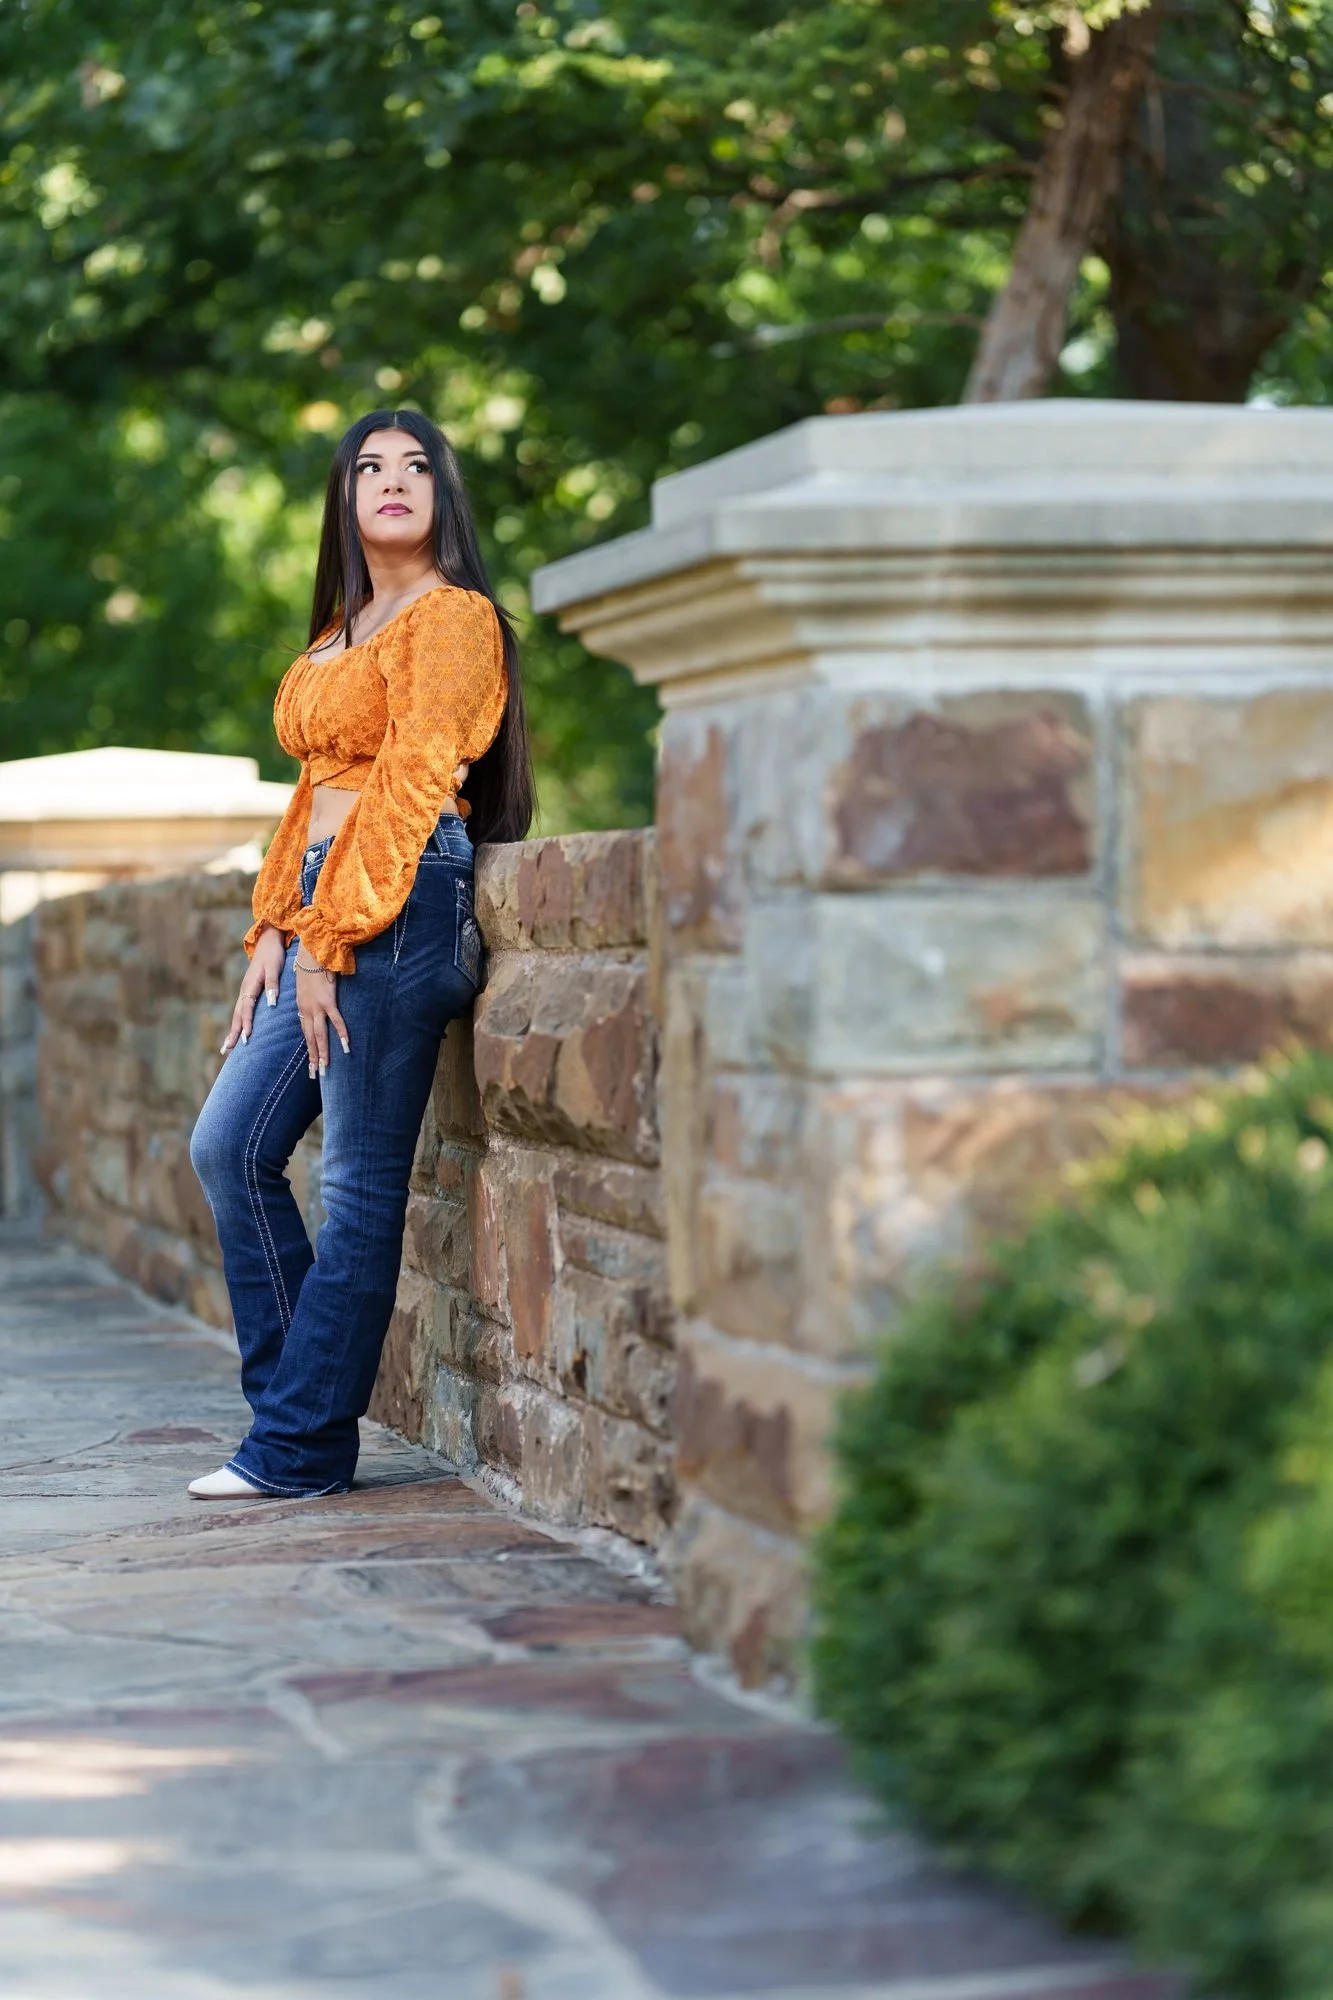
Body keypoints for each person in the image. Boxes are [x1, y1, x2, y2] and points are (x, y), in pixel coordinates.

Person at [187, 409, 533, 1498]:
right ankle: (296, 1422)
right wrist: (276, 925)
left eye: (415, 466)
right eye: (369, 467)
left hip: (399, 898)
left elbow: (415, 773)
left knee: (358, 1185)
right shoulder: (345, 628)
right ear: (343, 496)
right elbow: (315, 789)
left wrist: (329, 934)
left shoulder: (453, 617)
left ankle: (293, 1445)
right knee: (228, 1146)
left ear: (442, 493)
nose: (392, 480)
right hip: (326, 903)